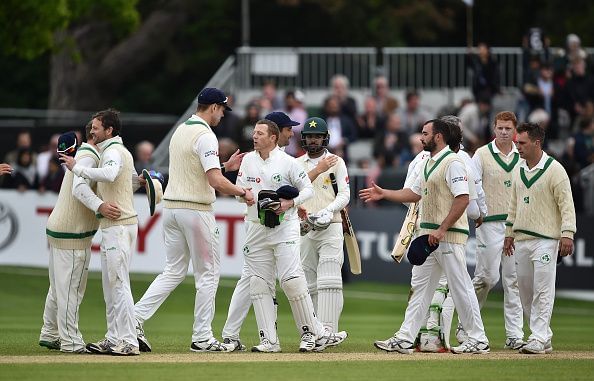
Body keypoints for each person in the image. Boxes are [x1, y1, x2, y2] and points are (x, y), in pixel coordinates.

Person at [133, 88, 253, 353]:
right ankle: (202, 337)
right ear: (212, 107)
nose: (222, 115)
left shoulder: (182, 129)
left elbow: (195, 170)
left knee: (173, 270)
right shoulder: (205, 135)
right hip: (195, 211)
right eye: (222, 110)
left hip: (172, 209)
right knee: (208, 275)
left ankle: (132, 320)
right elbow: (214, 182)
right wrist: (243, 192)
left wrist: (224, 167)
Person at [360, 119, 489, 354]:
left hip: (447, 237)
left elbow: (463, 199)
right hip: (428, 236)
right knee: (420, 290)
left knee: (460, 287)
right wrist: (384, 193)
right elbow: (413, 194)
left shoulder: (454, 162)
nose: (421, 137)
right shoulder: (428, 162)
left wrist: (442, 229)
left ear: (438, 136)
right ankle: (405, 338)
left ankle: (478, 338)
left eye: (425, 133)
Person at [221, 113, 338, 351]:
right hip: (255, 228)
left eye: (259, 133)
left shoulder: (288, 162)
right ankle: (269, 341)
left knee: (291, 281)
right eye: (254, 133)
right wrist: (242, 195)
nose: (254, 136)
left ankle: (311, 335)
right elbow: (238, 192)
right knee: (258, 283)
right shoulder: (247, 160)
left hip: (284, 228)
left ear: (273, 138)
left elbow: (307, 190)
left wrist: (288, 204)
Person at [61, 109, 142, 356]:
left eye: (96, 127)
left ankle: (129, 341)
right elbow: (130, 182)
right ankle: (113, 336)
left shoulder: (113, 151)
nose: (92, 130)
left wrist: (77, 168)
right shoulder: (115, 151)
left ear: (109, 130)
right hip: (114, 226)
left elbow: (109, 174)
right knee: (111, 285)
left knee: (118, 283)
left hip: (119, 225)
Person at [504, 122, 576, 354]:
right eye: (517, 143)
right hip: (522, 238)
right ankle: (543, 336)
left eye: (522, 143)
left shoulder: (555, 170)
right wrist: (508, 233)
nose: (518, 147)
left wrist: (567, 234)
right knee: (525, 290)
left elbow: (567, 205)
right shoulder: (518, 169)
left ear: (537, 143)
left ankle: (537, 336)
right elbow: (513, 205)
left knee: (543, 289)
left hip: (546, 239)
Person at [457, 111, 525, 350]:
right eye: (500, 128)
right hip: (489, 224)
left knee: (513, 281)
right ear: (494, 128)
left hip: (515, 226)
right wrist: (477, 212)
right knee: (486, 278)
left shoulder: (522, 154)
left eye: (508, 128)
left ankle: (515, 334)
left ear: (515, 130)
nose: (504, 132)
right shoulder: (482, 155)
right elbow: (473, 186)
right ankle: (466, 325)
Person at [39, 126, 108, 353]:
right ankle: (71, 342)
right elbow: (80, 190)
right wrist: (101, 207)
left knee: (59, 286)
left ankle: (50, 333)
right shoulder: (89, 156)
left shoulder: (83, 154)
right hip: (72, 233)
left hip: (60, 228)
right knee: (71, 289)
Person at [297, 117, 350, 334]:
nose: (313, 140)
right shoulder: (297, 163)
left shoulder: (337, 161)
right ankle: (314, 330)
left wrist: (328, 211)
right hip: (305, 227)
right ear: (304, 139)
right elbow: (295, 192)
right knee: (308, 282)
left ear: (325, 138)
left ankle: (329, 330)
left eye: (317, 136)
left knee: (330, 280)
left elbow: (345, 194)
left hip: (331, 225)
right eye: (309, 136)